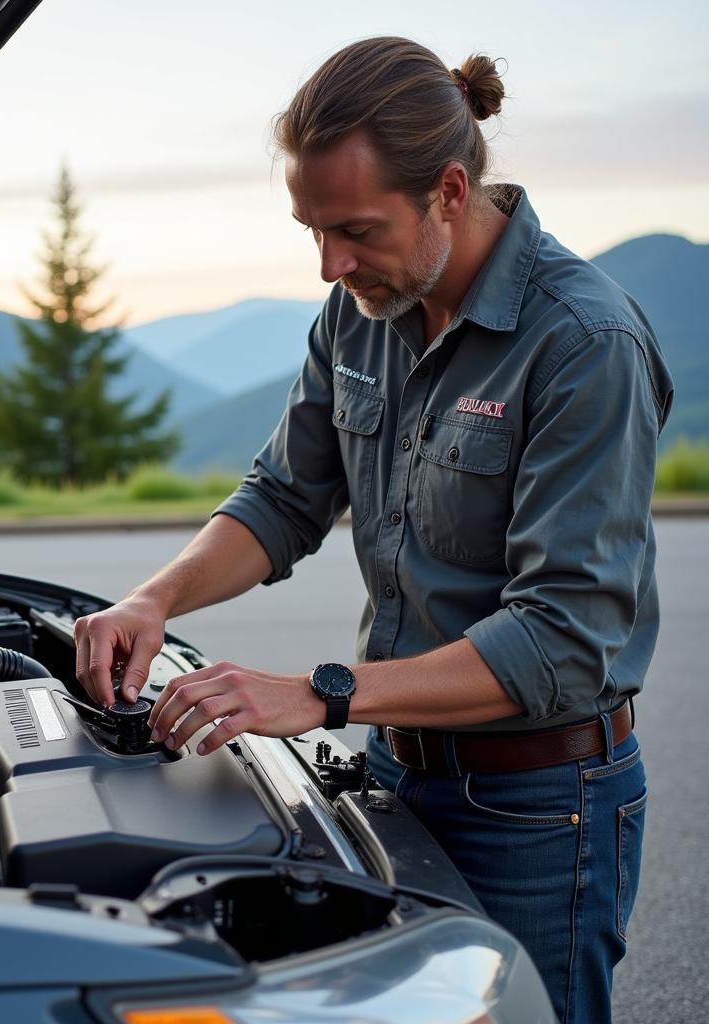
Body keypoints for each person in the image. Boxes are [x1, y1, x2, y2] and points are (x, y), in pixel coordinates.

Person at [74, 37, 673, 1024]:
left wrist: (318, 695)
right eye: (310, 228)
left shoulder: (583, 342)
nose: (328, 263)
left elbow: (563, 640)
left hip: (537, 806)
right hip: (394, 771)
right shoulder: (360, 307)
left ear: (446, 190)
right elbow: (285, 495)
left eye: (353, 229)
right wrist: (154, 597)